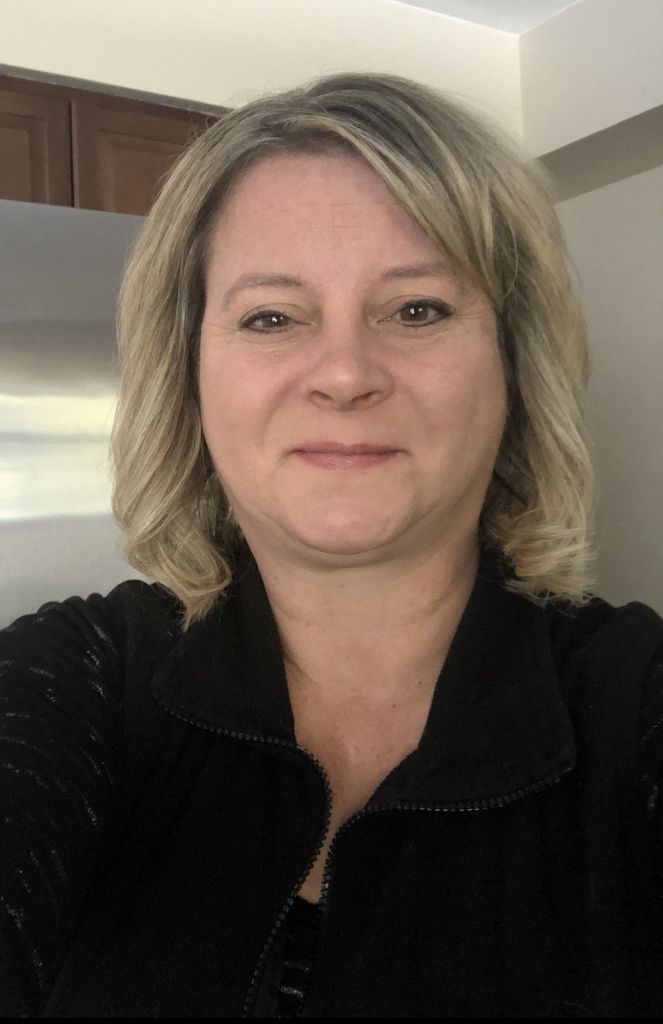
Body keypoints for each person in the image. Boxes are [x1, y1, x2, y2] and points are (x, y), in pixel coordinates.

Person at [1, 70, 662, 1019]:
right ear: (188, 375)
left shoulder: (636, 703)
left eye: (417, 309)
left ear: (515, 366)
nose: (346, 374)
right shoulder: (75, 676)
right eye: (271, 317)